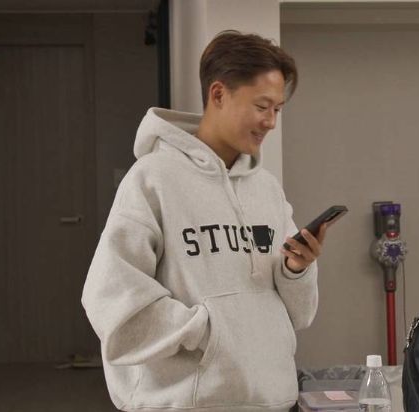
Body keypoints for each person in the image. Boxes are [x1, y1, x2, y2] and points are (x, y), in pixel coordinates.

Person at [82, 30, 327, 412]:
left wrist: (296, 270)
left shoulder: (265, 188)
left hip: (274, 400)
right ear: (218, 94)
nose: (271, 122)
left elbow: (299, 314)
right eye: (262, 106)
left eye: (278, 109)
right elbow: (110, 296)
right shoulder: (153, 179)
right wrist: (205, 331)